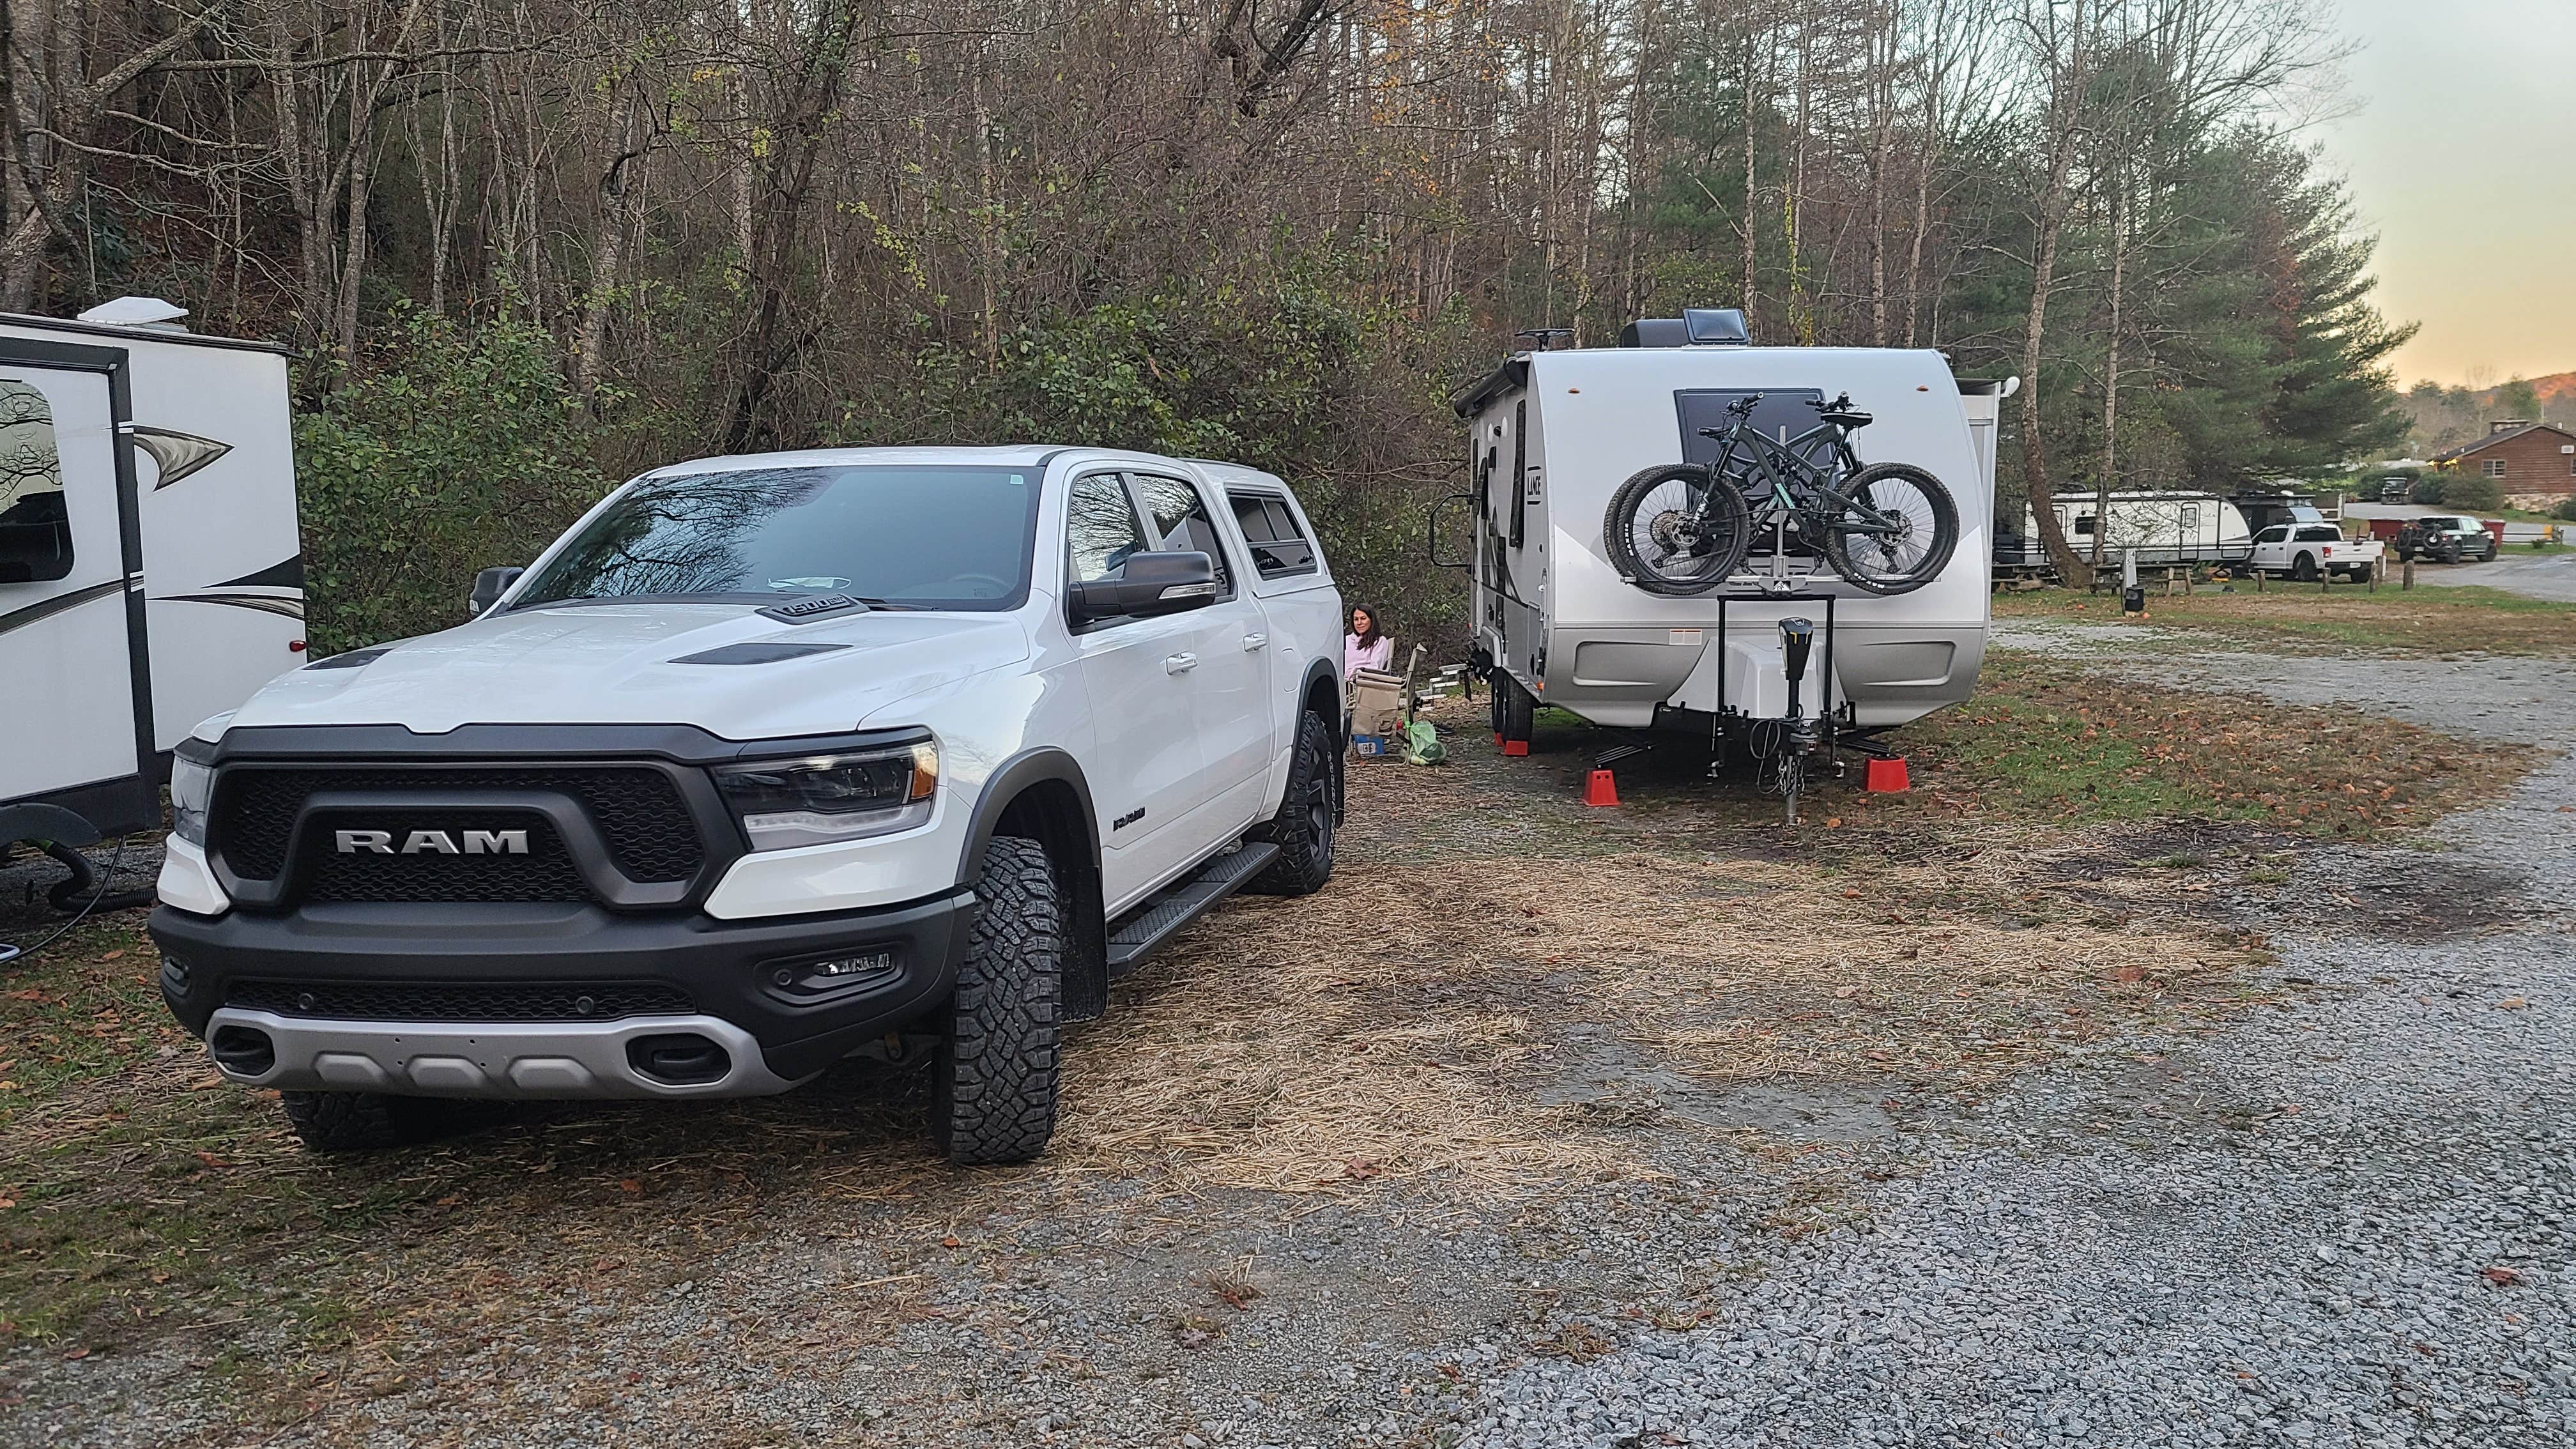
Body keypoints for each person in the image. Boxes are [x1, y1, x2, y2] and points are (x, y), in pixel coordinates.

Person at [1344, 604, 1392, 679]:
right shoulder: (1346, 640)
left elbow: (1375, 668)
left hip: (1363, 683)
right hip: (1342, 683)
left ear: (1371, 620)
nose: (1359, 623)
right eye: (1356, 619)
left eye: (1363, 619)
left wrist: (1355, 673)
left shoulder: (1379, 641)